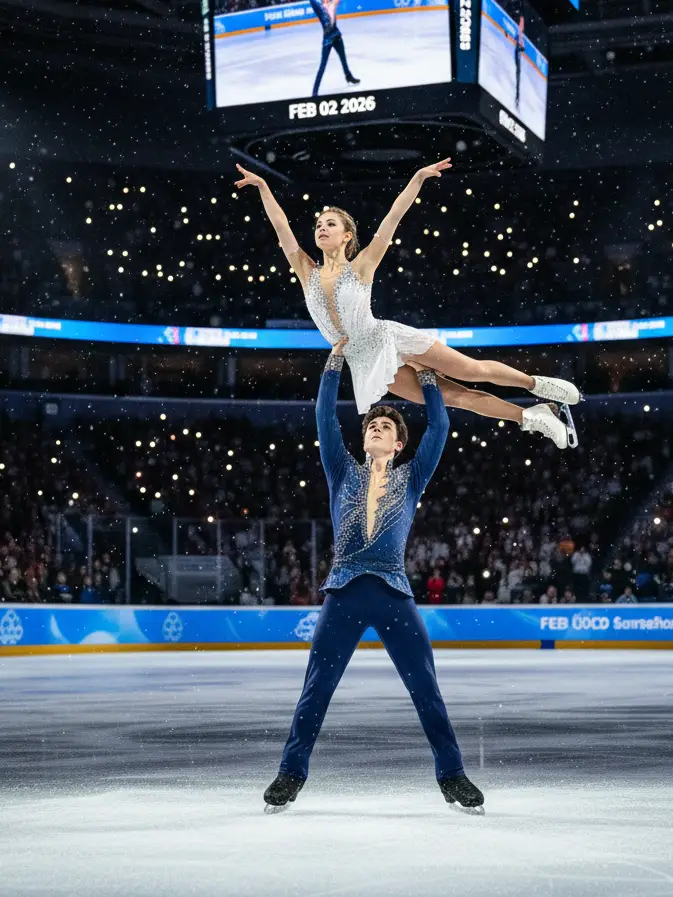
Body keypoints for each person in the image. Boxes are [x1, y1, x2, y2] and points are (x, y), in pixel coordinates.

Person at [263, 338, 484, 814]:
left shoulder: (412, 475)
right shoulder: (342, 471)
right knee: (316, 689)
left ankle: (453, 775)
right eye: (372, 425)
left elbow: (440, 425)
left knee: (425, 687)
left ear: (399, 443)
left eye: (385, 426)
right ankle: (290, 774)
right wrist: (332, 366)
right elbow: (324, 420)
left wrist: (426, 374)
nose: (377, 429)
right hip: (342, 592)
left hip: (393, 594)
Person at [235, 160, 580, 449]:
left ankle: (537, 384)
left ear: (346, 236)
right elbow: (281, 228)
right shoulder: (305, 269)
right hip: (364, 362)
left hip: (388, 339)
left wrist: (416, 180)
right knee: (454, 397)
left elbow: (391, 220)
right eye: (318, 225)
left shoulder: (363, 265)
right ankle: (534, 416)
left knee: (471, 371)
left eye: (330, 224)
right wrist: (264, 187)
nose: (321, 229)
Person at [309, 0, 360, 97]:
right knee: (322, 66)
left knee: (343, 59)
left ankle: (348, 77)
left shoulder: (332, 4)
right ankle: (315, 91)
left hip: (337, 36)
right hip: (327, 39)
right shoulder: (319, 6)